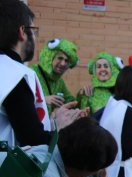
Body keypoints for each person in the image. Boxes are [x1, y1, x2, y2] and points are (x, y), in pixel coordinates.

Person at [0, 0, 81, 147]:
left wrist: (53, 122)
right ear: (22, 32)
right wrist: (59, 127)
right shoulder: (16, 74)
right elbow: (34, 141)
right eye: (33, 30)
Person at [30, 38, 79, 113]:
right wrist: (43, 100)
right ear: (50, 57)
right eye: (60, 58)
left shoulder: (59, 81)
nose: (63, 64)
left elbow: (70, 101)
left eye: (66, 61)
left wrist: (83, 95)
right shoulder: (32, 73)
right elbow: (18, 99)